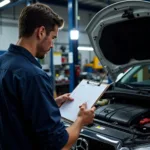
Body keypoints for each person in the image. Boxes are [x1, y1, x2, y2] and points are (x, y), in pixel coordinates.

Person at [0, 3, 96, 150]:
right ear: (41, 32)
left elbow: (13, 109)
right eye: (53, 37)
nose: (52, 45)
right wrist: (81, 120)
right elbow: (58, 144)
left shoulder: (3, 62)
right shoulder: (33, 75)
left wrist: (50, 104)